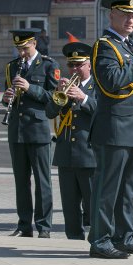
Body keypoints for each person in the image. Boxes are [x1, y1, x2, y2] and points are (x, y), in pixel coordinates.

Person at [88, 0, 133, 258]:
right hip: (113, 129)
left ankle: (124, 236)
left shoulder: (129, 45)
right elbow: (111, 82)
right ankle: (100, 240)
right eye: (125, 14)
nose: (130, 19)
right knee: (108, 189)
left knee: (128, 190)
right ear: (112, 14)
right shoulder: (104, 46)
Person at [4, 28, 59, 238]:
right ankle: (24, 225)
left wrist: (30, 88)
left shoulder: (48, 65)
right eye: (18, 48)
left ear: (34, 44)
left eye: (25, 48)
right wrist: (6, 98)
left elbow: (55, 97)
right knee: (21, 181)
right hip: (16, 130)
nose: (21, 53)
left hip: (39, 130)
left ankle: (44, 227)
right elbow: (6, 93)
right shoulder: (11, 67)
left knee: (42, 181)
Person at [44, 42, 97, 240]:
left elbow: (104, 114)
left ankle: (97, 239)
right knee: (69, 206)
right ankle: (73, 240)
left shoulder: (98, 87)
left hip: (89, 154)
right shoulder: (64, 88)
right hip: (66, 155)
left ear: (89, 64)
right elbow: (49, 113)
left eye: (79, 64)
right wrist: (58, 94)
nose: (75, 69)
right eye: (71, 65)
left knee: (93, 204)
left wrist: (84, 98)